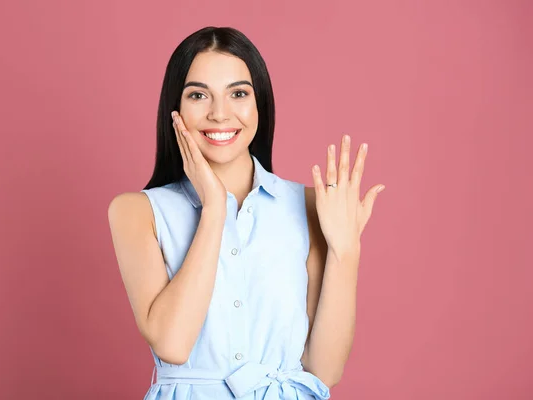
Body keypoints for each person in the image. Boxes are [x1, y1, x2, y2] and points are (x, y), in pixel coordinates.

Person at [108, 26, 385, 400]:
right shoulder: (136, 211)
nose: (220, 114)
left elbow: (324, 369)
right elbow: (172, 344)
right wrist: (214, 209)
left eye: (238, 93)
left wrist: (345, 252)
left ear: (260, 106)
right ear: (175, 108)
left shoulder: (308, 206)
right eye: (198, 95)